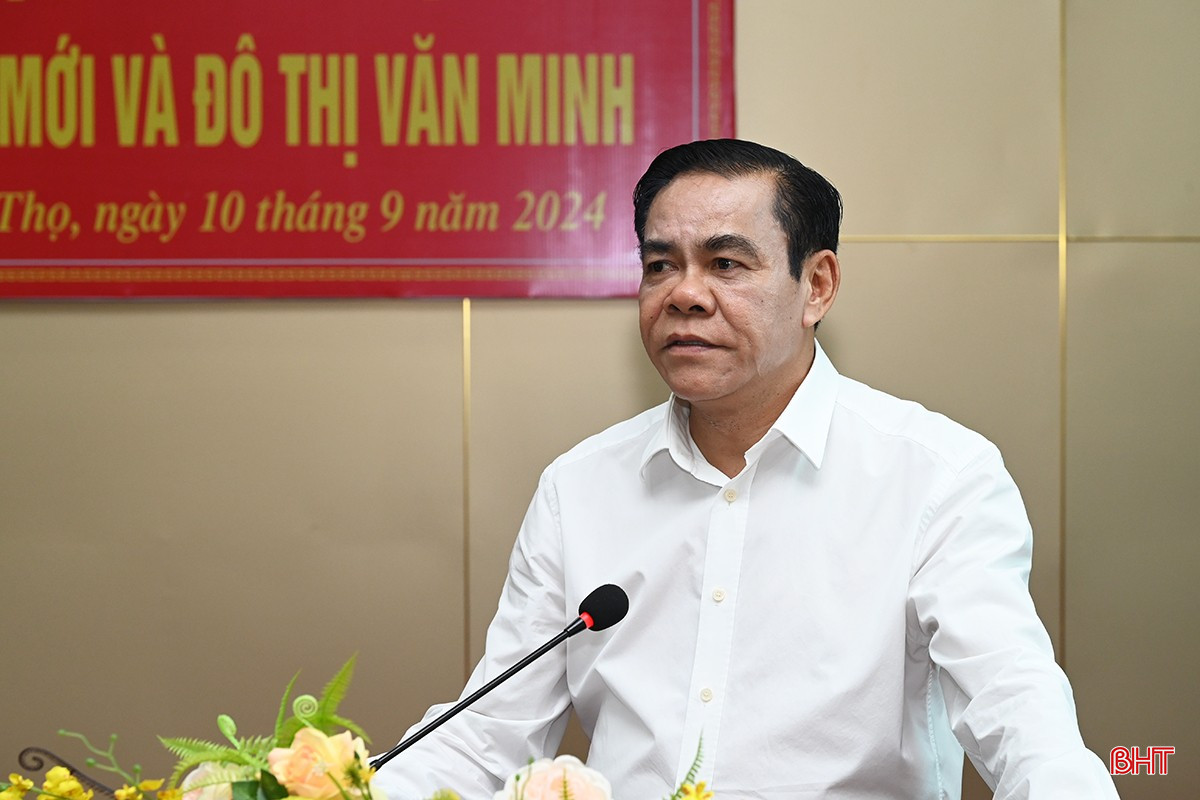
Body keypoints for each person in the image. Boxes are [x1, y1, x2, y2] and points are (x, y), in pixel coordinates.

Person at [375, 139, 1119, 799]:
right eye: (660, 265)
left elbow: (1018, 715)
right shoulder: (580, 487)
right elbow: (489, 736)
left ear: (816, 286)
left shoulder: (935, 477)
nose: (684, 295)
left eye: (726, 264)